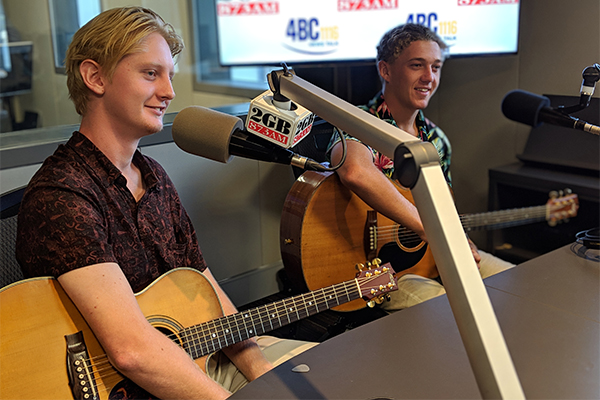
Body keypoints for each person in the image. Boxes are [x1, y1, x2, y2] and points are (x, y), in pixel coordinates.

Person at [15, 7, 315, 399]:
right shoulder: (62, 194)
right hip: (130, 386)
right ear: (95, 77)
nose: (169, 92)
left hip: (196, 360)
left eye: (169, 75)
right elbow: (132, 352)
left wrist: (264, 375)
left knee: (323, 374)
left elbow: (207, 291)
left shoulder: (152, 176)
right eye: (150, 73)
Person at [328, 23, 514, 311]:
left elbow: (444, 207)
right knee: (446, 312)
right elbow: (355, 171)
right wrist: (430, 229)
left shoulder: (437, 140)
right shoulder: (357, 122)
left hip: (430, 258)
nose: (429, 77)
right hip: (375, 272)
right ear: (385, 70)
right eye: (417, 65)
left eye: (436, 67)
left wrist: (460, 240)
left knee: (515, 284)